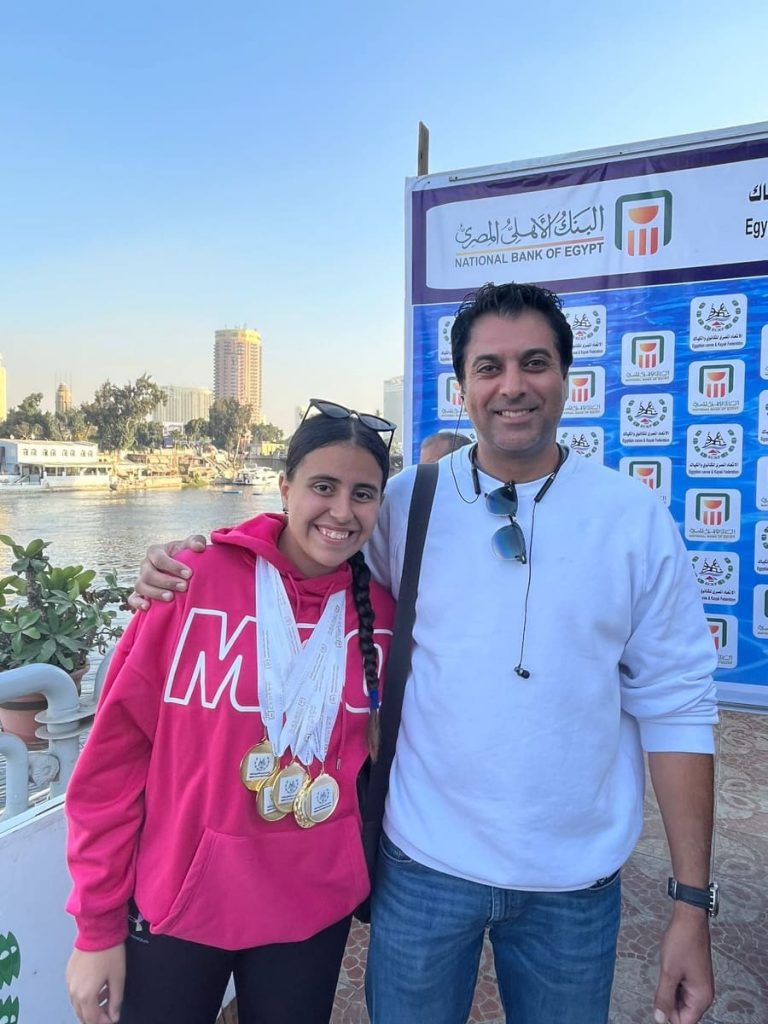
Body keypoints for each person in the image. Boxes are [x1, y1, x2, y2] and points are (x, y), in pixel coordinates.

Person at [131, 283, 719, 1024]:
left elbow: (677, 707)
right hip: (422, 869)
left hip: (574, 883)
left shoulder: (633, 519)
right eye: (489, 367)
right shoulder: (409, 502)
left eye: (534, 363)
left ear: (567, 378)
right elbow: (308, 544)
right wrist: (195, 557)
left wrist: (691, 905)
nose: (512, 386)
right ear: (462, 387)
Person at [65, 400, 396, 1024]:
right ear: (286, 487)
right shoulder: (189, 581)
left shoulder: (381, 615)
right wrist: (96, 926)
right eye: (323, 486)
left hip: (311, 911)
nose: (341, 511)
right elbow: (112, 763)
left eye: (363, 494)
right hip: (178, 904)